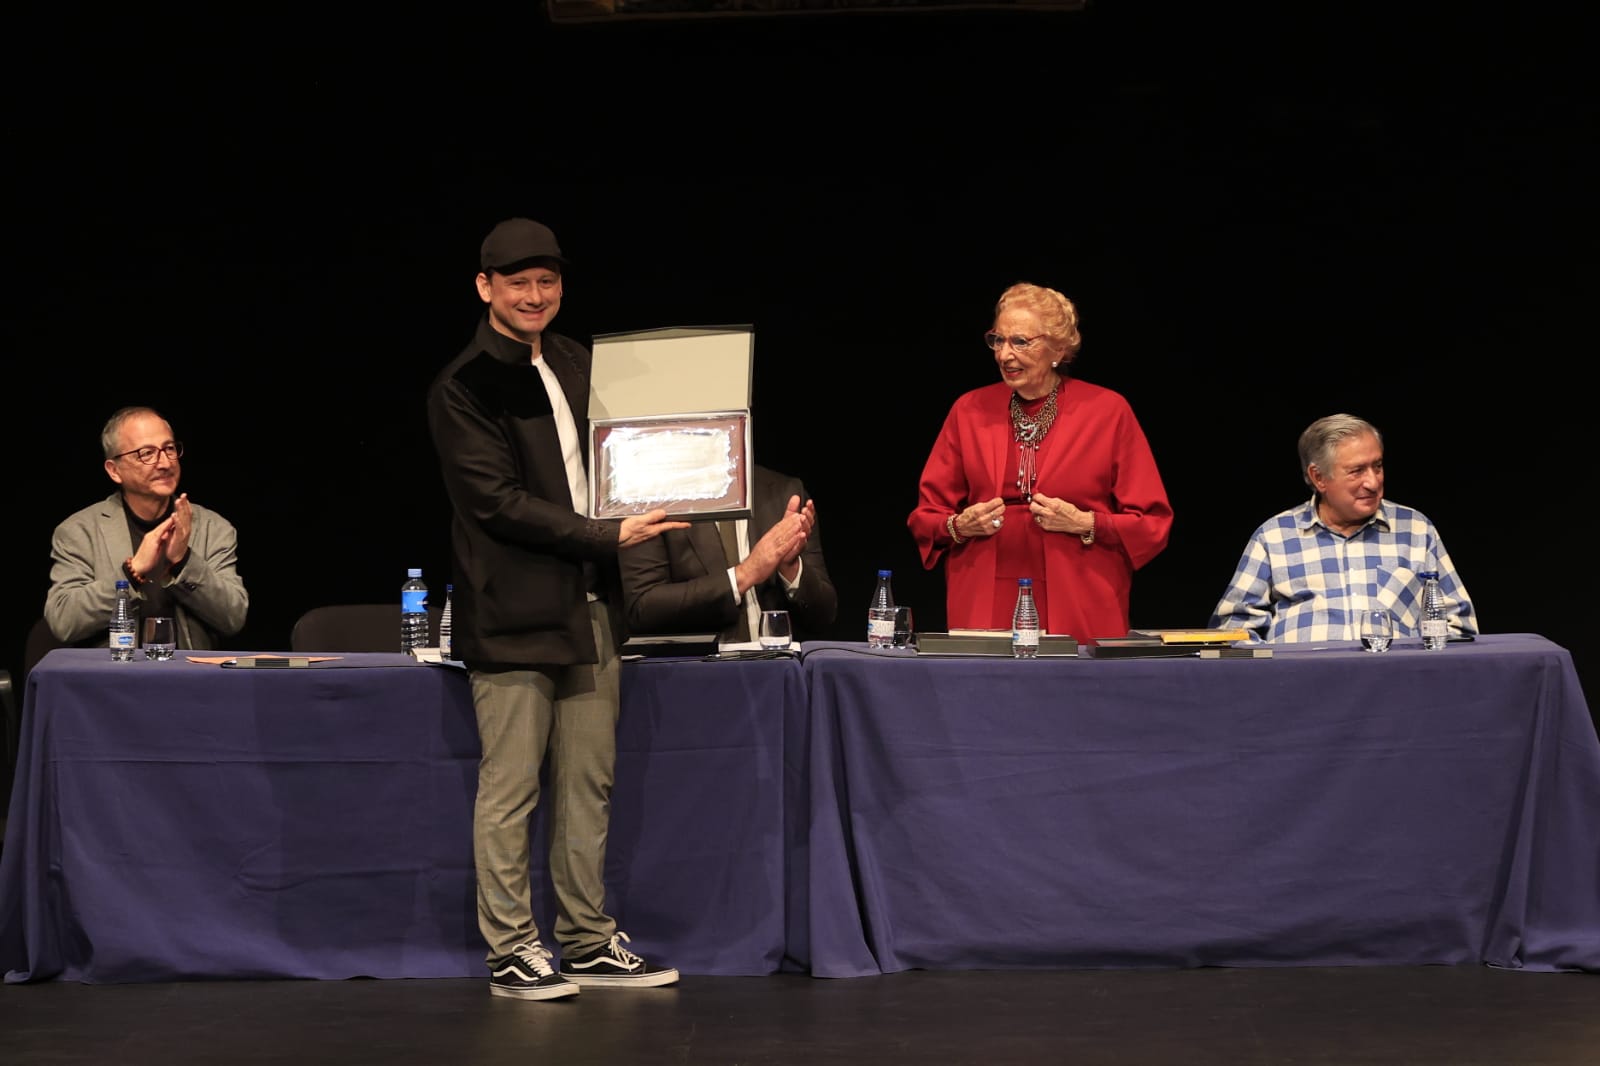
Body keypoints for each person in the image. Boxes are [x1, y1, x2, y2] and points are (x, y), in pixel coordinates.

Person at [426, 217, 689, 1003]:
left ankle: (586, 939)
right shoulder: (464, 385)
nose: (535, 295)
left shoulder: (577, 360)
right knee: (512, 788)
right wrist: (609, 534)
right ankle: (511, 949)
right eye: (518, 283)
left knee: (587, 784)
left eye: (547, 281)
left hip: (592, 605)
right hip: (514, 611)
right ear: (486, 287)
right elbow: (498, 503)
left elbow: (629, 451)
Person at [907, 282, 1173, 642]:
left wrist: (1086, 522)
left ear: (1058, 349)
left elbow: (1152, 522)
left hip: (1080, 593)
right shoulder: (969, 410)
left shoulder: (1108, 411)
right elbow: (926, 517)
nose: (1004, 355)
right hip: (984, 593)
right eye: (998, 340)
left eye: (1020, 341)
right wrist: (959, 525)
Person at [1208, 412, 1478, 643]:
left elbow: (1459, 625)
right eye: (1357, 471)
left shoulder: (1416, 530)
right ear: (1319, 477)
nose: (1373, 482)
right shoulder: (1274, 536)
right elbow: (1232, 631)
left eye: (1377, 466)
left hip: (1395, 682)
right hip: (1300, 683)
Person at [45, 406, 248, 651]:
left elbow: (233, 617)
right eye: (146, 453)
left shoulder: (212, 528)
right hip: (112, 673)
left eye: (169, 449)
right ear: (114, 470)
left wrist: (183, 562)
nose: (164, 463)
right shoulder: (79, 531)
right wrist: (131, 572)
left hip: (188, 673)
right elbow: (64, 621)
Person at [619, 464, 838, 645]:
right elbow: (643, 608)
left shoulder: (784, 491)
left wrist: (790, 569)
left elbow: (823, 616)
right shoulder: (649, 496)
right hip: (695, 672)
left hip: (777, 669)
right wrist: (744, 575)